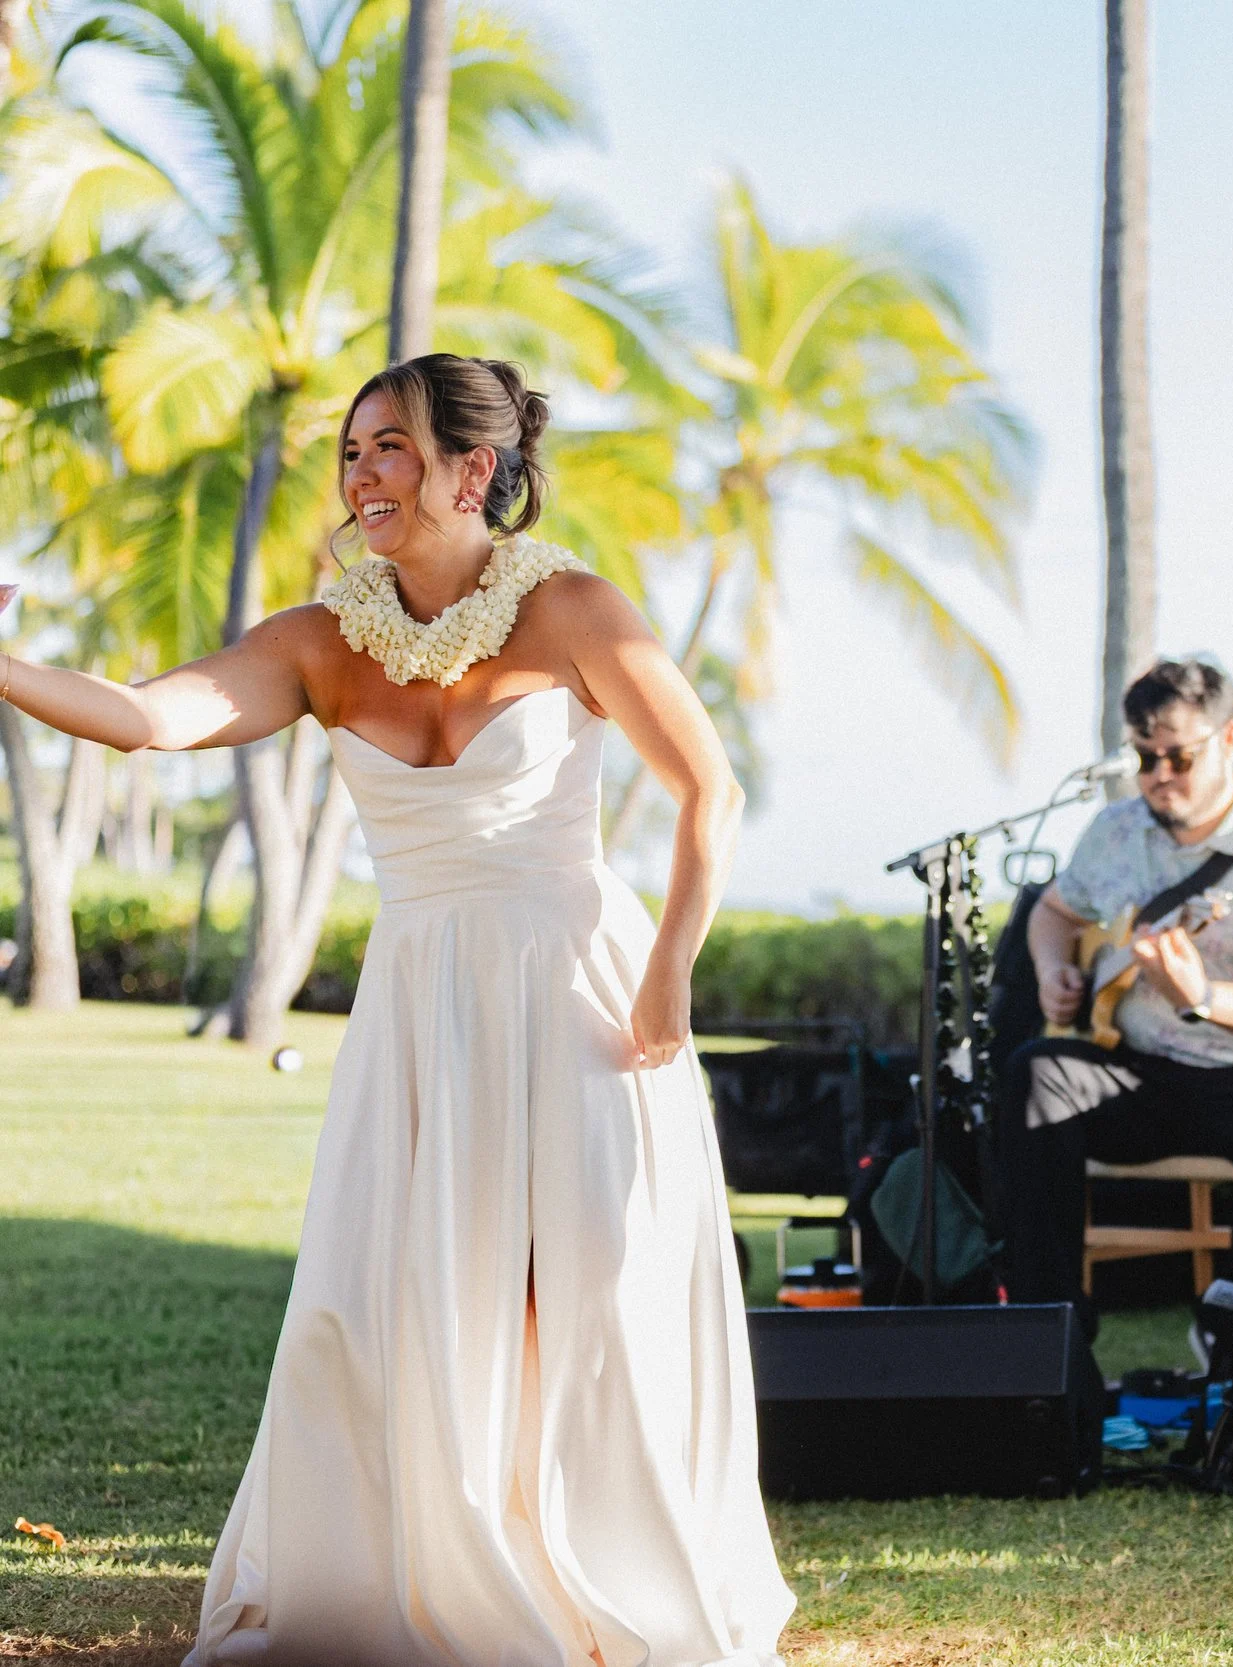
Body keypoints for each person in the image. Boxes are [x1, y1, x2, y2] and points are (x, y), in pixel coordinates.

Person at [0, 354, 793, 1665]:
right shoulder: (322, 639)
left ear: (472, 469)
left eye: (389, 449)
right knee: (395, 1298)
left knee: (591, 1279)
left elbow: (710, 789)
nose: (361, 476)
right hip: (424, 1006)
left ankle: (603, 1574)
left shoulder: (575, 610)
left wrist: (671, 969)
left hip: (578, 988)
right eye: (352, 451)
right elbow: (147, 718)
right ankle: (429, 1567)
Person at [997, 659, 1233, 1324]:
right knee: (1035, 1074)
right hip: (1145, 1071)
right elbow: (1054, 911)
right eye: (1144, 757)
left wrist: (1203, 996)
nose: (1160, 775)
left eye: (1179, 757)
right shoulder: (1116, 831)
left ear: (1229, 738)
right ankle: (1051, 1330)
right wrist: (1053, 973)